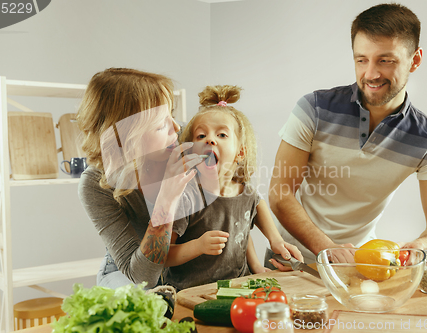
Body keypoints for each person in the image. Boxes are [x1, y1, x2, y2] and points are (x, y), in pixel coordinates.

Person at [268, 3, 427, 265]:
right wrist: (327, 249)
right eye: (362, 60)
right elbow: (280, 194)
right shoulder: (313, 109)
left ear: (415, 60)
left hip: (359, 264)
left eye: (385, 60)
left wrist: (421, 245)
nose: (371, 74)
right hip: (291, 260)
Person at [162, 85, 303, 290]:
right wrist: (197, 246)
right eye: (201, 136)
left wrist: (273, 244)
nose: (210, 139)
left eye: (222, 135)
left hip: (236, 286)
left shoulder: (245, 193)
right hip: (190, 291)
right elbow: (163, 256)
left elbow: (242, 229)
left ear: (240, 153)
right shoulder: (187, 197)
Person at [77, 68, 204, 289]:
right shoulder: (96, 183)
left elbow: (239, 189)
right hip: (126, 273)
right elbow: (141, 276)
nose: (176, 127)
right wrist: (167, 198)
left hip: (183, 266)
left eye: (171, 114)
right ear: (127, 136)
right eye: (159, 124)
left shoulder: (184, 142)